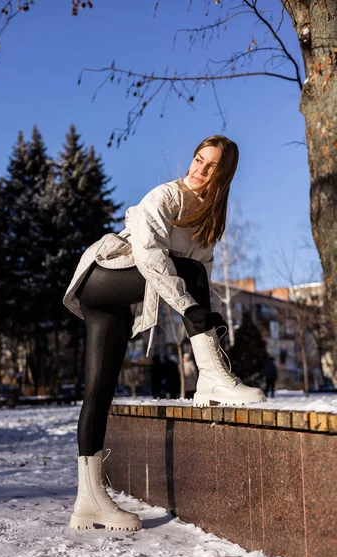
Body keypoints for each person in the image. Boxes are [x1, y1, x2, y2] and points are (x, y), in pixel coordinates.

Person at [63, 134, 266, 532]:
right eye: (197, 159)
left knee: (99, 392)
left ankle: (89, 501)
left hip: (117, 302)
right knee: (183, 274)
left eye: (210, 167)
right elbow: (150, 258)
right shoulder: (165, 196)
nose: (199, 170)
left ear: (222, 176)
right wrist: (190, 307)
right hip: (104, 276)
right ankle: (209, 378)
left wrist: (215, 317)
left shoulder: (208, 219)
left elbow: (202, 279)